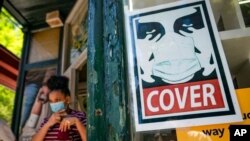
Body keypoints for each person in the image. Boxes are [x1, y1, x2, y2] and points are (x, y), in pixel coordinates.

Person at [32, 75, 87, 141]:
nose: (54, 104)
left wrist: (77, 122)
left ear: (67, 99)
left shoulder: (80, 116)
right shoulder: (46, 121)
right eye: (51, 101)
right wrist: (48, 124)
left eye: (57, 100)